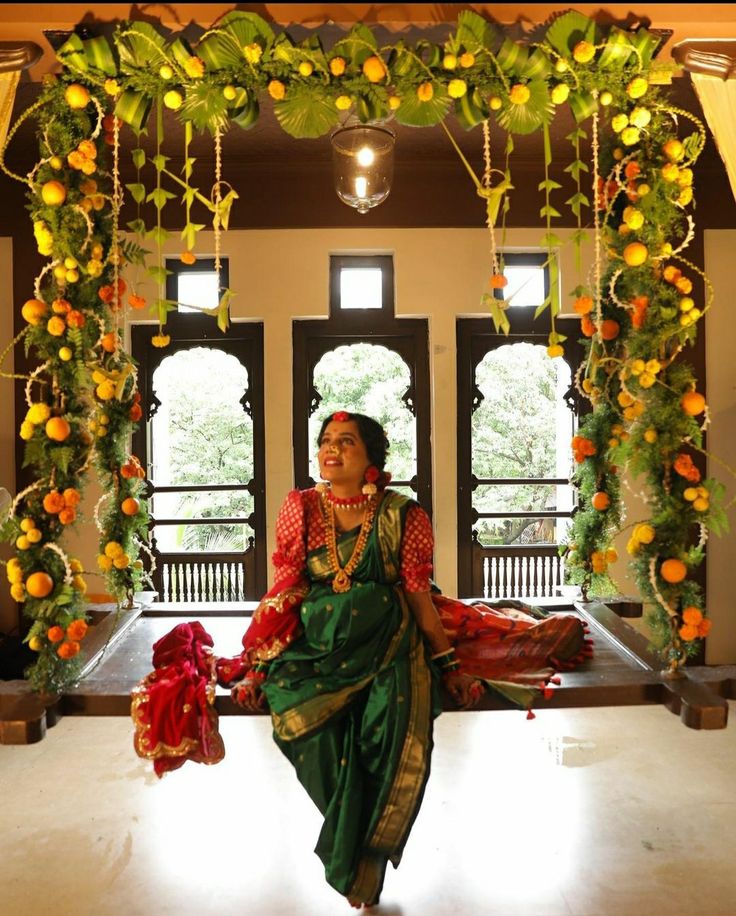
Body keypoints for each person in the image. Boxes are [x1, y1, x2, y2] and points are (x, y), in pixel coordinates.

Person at [132, 410, 589, 910]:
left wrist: (448, 664)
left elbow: (417, 597)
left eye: (346, 442)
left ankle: (362, 865)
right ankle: (355, 847)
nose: (331, 449)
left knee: (387, 733)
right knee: (297, 724)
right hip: (313, 648)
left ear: (372, 458)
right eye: (326, 440)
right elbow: (286, 589)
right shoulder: (301, 508)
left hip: (390, 645)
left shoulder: (403, 515)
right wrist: (262, 665)